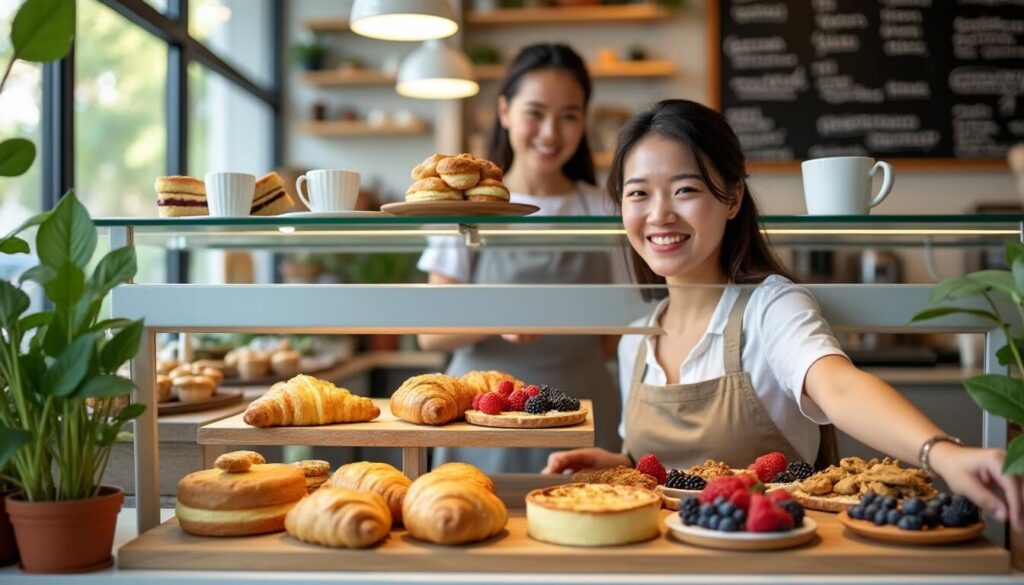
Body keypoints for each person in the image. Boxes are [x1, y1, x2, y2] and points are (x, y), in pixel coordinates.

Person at [542, 99, 1022, 530]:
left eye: (685, 189)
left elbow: (839, 386)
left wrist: (942, 452)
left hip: (775, 561)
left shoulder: (771, 306)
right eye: (638, 193)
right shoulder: (635, 340)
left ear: (731, 199)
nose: (659, 214)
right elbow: (666, 472)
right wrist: (618, 462)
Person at [416, 44, 627, 473]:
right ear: (505, 111)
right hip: (480, 415)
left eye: (569, 115)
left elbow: (619, 328)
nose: (551, 133)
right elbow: (430, 333)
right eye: (536, 113)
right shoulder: (465, 205)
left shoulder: (608, 209)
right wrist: (500, 317)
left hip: (582, 411)